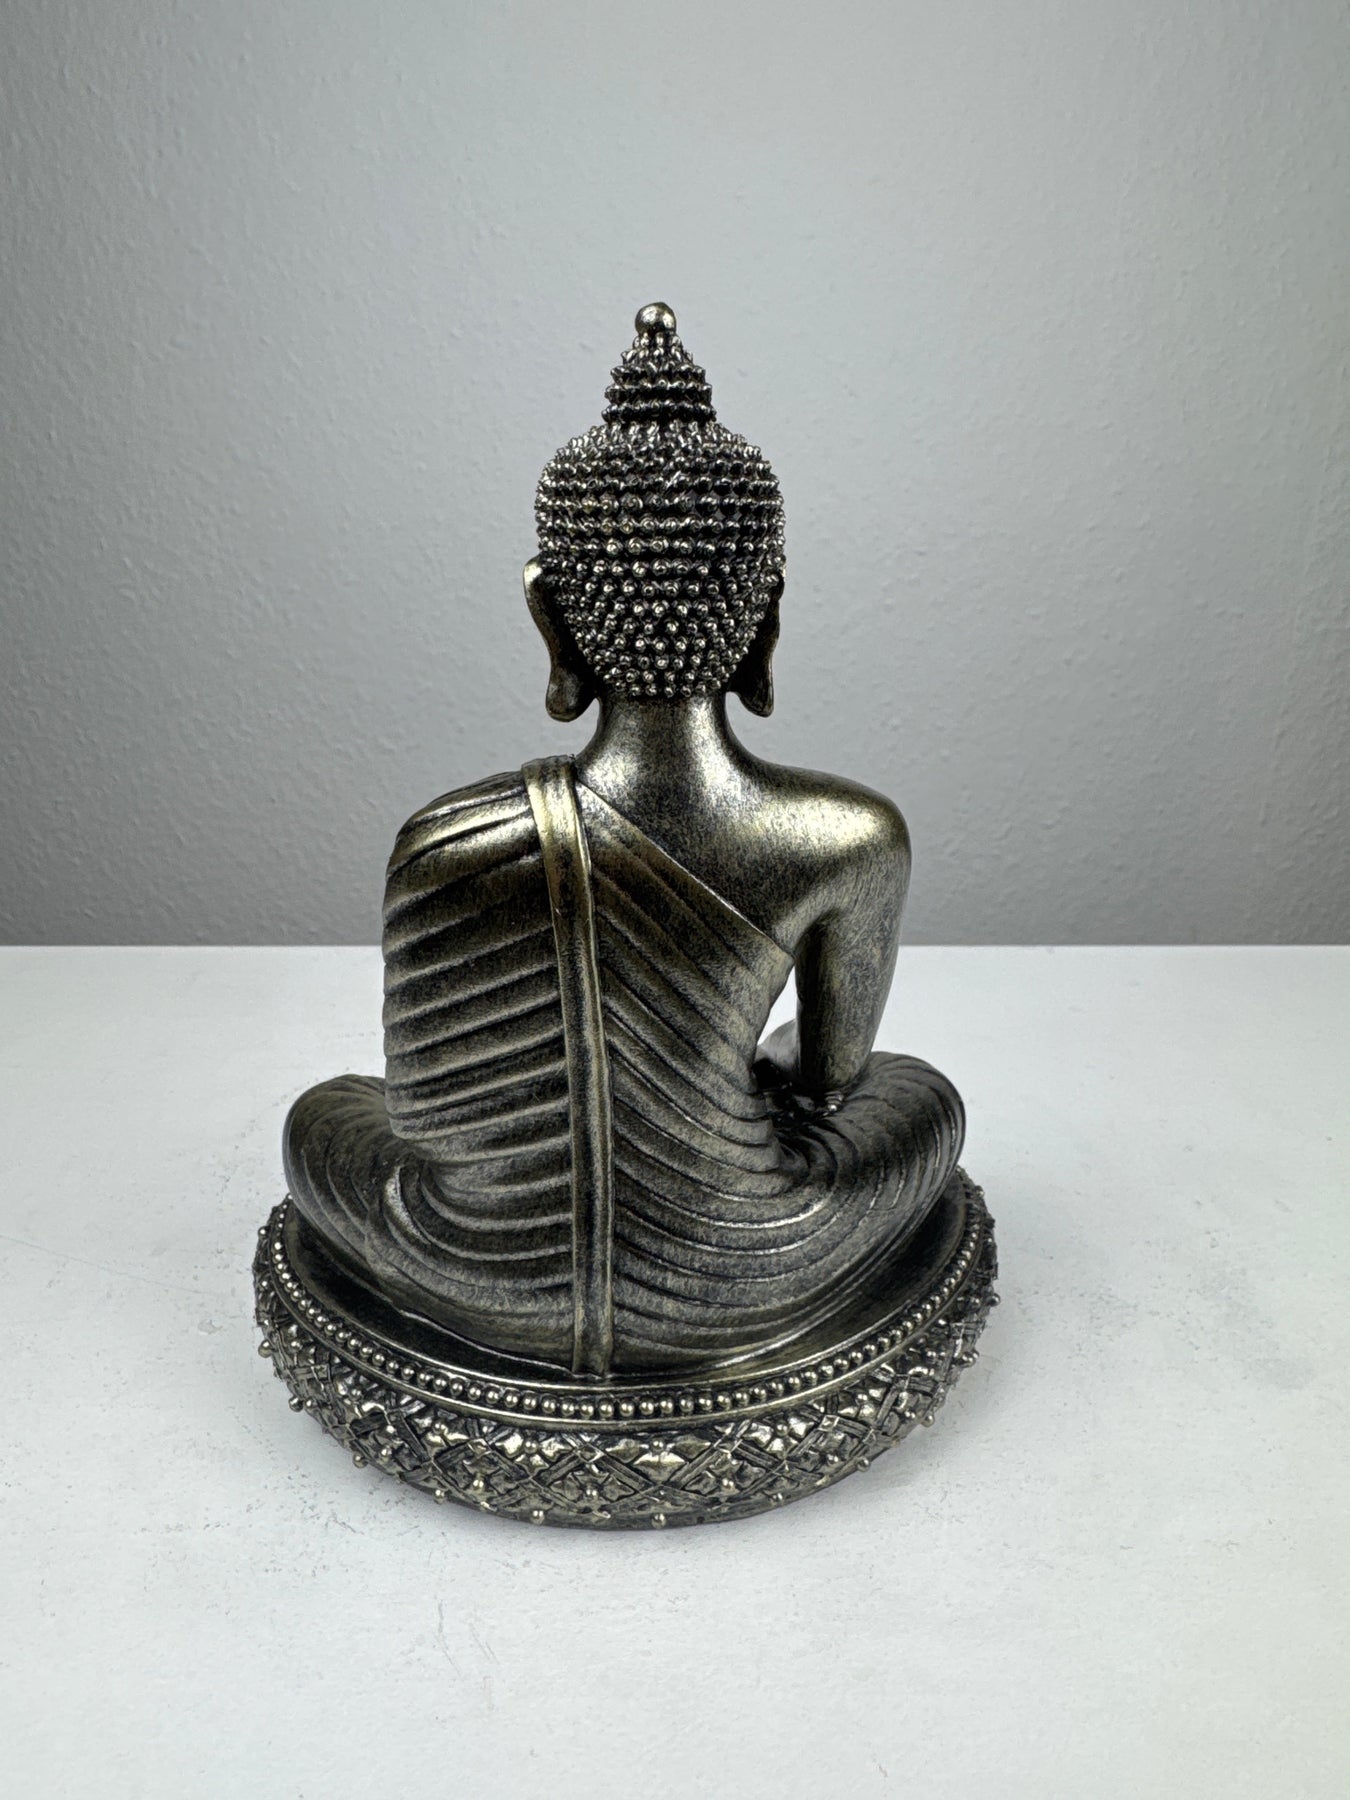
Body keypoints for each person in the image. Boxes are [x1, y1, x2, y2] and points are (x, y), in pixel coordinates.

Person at [284, 306, 964, 1377]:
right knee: (920, 1098)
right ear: (767, 617)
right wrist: (733, 1079)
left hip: (474, 1270)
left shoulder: (443, 844)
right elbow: (829, 1083)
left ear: (549, 615)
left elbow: (424, 1122)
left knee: (322, 1118)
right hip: (744, 1270)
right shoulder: (849, 839)